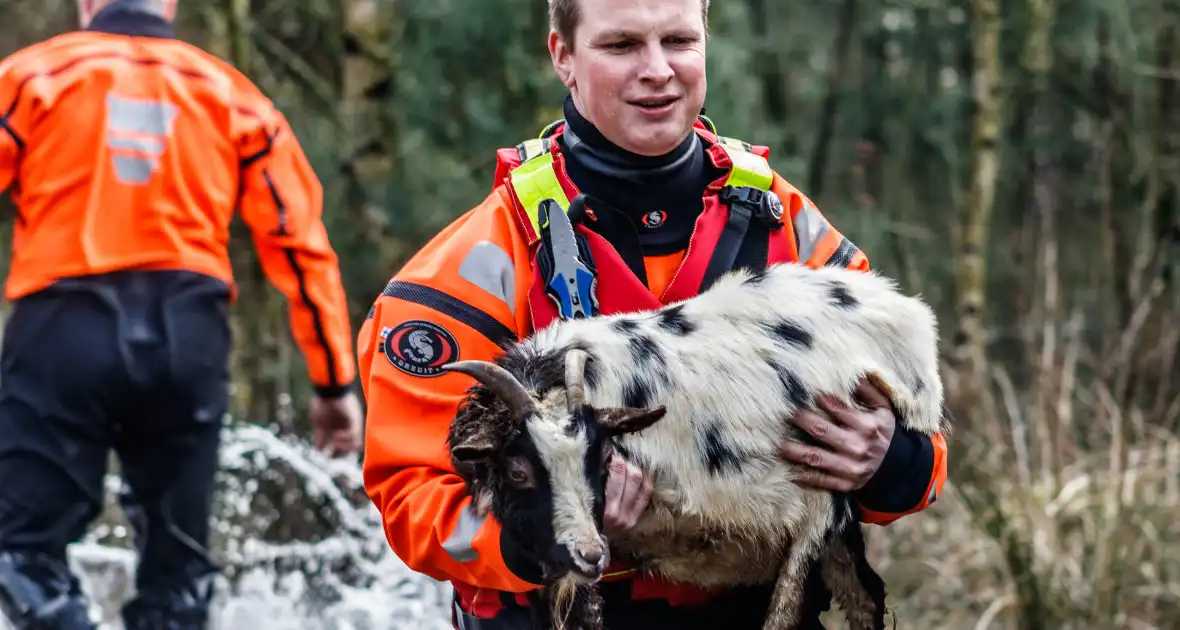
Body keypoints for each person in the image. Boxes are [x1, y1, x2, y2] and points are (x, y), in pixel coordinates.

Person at [358, 0, 950, 627]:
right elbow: (409, 497)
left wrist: (887, 460)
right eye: (621, 46)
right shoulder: (479, 266)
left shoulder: (790, 232)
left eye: (678, 41)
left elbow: (923, 448)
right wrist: (555, 521)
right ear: (563, 56)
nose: (658, 70)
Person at [0, 1, 365, 628]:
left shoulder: (32, 78)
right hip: (188, 338)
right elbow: (302, 248)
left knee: (22, 556)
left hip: (63, 330)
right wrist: (334, 384)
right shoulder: (234, 96)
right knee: (179, 581)